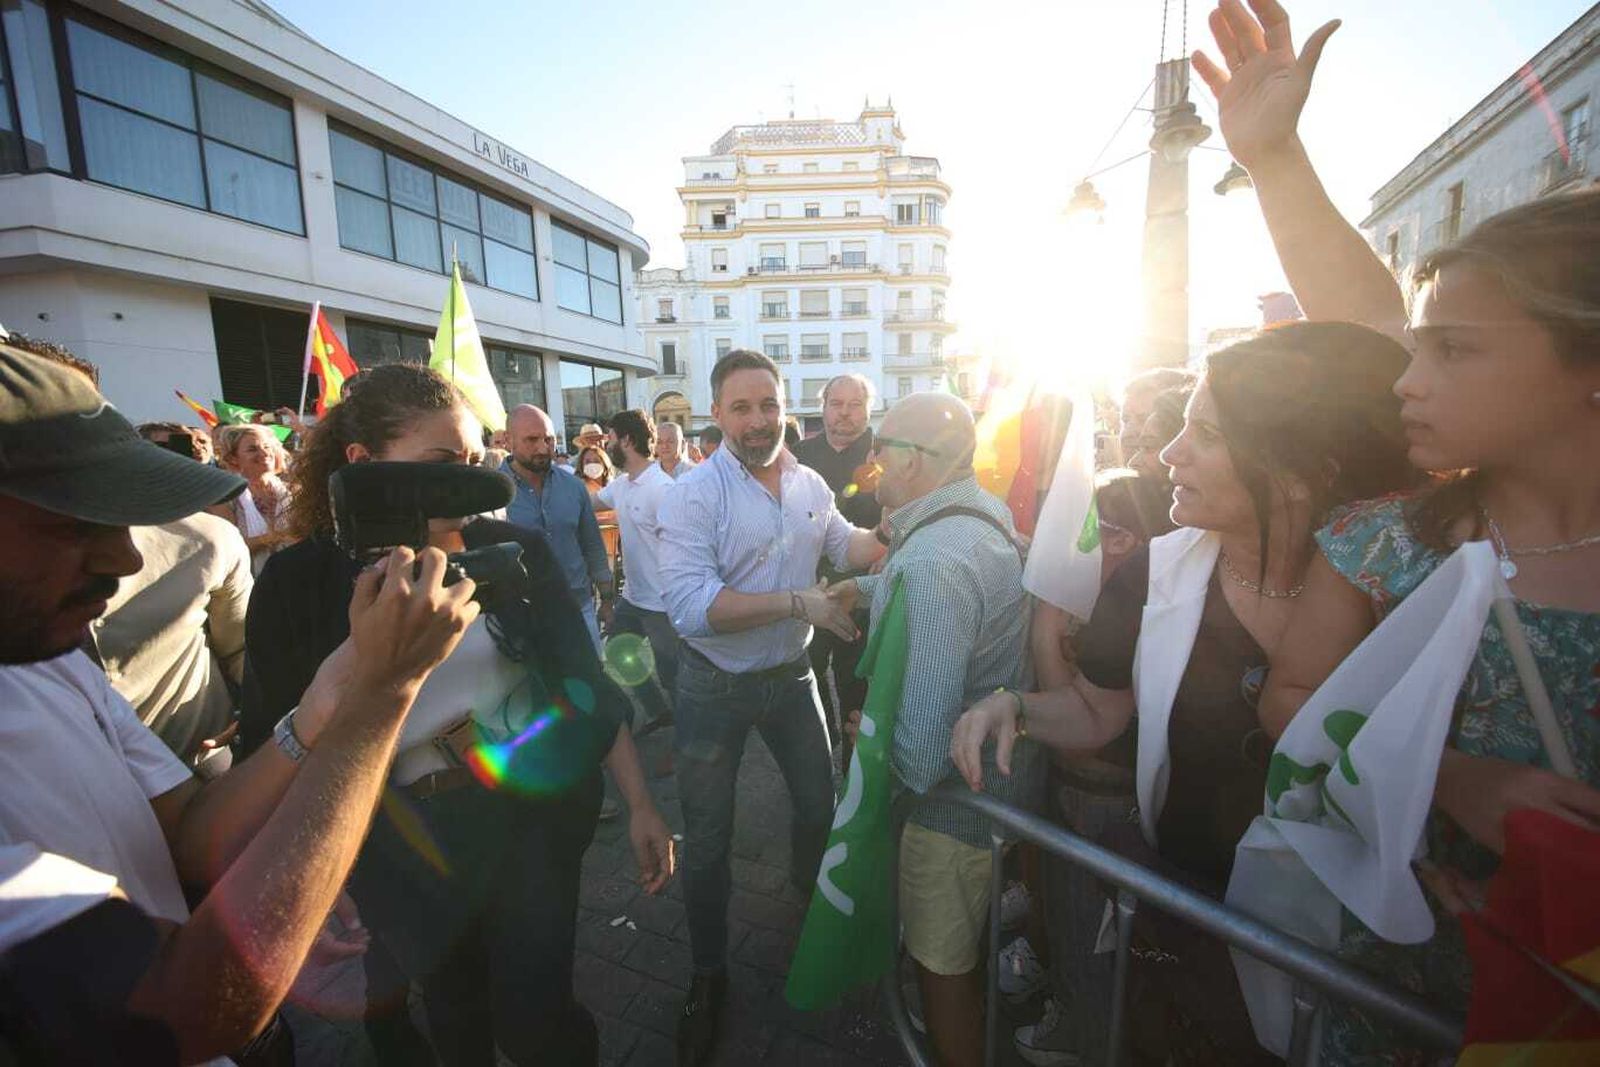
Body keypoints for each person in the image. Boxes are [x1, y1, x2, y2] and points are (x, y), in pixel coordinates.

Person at [1194, 2, 1600, 1060]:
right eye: (1417, 348)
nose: (1405, 383)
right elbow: (1292, 706)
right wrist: (1452, 782)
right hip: (1409, 996)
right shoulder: (1387, 540)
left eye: (1454, 351)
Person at [951, 323, 1419, 1063]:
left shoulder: (1401, 595)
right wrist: (1016, 706)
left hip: (1347, 945)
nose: (1169, 452)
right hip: (1189, 913)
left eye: (1205, 432)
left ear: (1296, 470)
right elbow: (1101, 710)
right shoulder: (1156, 574)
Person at [0, 342, 479, 1064]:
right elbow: (180, 1011)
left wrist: (323, 704)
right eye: (74, 522)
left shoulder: (50, 657)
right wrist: (382, 696)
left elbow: (191, 834)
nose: (126, 559)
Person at [240, 363, 674, 1067]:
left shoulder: (516, 552)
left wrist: (642, 801)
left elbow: (585, 687)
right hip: (395, 840)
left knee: (540, 1024)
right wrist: (312, 881)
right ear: (361, 464)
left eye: (477, 462)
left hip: (525, 822)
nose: (469, 485)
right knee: (456, 1017)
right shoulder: (301, 585)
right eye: (443, 465)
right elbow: (274, 747)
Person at [657, 350, 886, 1065]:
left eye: (769, 405)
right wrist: (799, 601)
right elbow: (690, 608)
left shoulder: (810, 480)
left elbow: (845, 543)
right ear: (717, 413)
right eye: (742, 407)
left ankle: (806, 915)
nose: (759, 421)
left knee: (820, 805)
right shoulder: (693, 493)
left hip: (791, 678)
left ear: (787, 406)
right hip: (712, 687)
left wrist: (902, 524)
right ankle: (708, 972)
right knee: (710, 838)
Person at [829, 392, 1034, 1067]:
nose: (872, 458)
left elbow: (918, 753)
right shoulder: (972, 515)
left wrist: (871, 741)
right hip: (983, 803)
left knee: (942, 964)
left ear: (914, 460)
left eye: (882, 445)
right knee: (954, 951)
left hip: (950, 817)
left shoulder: (935, 560)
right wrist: (860, 590)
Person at [87, 425, 254, 770]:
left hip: (197, 760)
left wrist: (262, 714)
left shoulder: (209, 540)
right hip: (66, 784)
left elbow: (242, 649)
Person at [793, 374, 883, 760]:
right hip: (809, 592)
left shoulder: (884, 453)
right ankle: (821, 753)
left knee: (857, 685)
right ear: (823, 407)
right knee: (806, 681)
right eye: (837, 403)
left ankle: (854, 772)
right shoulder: (797, 456)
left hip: (864, 593)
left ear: (868, 409)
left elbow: (901, 513)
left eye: (855, 404)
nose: (845, 413)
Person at [502, 404, 615, 651]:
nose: (543, 448)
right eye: (532, 440)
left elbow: (592, 545)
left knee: (593, 684)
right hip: (524, 616)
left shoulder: (574, 487)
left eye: (549, 440)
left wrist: (607, 600)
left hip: (579, 607)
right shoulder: (493, 492)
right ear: (508, 439)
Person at [599, 409, 680, 730]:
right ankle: (660, 714)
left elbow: (684, 547)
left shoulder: (663, 489)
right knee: (620, 653)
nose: (607, 446)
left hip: (663, 603)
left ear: (627, 441)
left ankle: (686, 742)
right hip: (633, 599)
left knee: (673, 676)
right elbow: (588, 503)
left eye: (611, 439)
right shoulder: (622, 485)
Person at [214, 423, 293, 577]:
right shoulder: (225, 497)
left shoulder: (294, 491)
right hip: (253, 585)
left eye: (267, 447)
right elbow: (229, 547)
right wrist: (275, 537)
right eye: (252, 449)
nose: (264, 453)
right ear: (233, 458)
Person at [577, 441, 621, 575]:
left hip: (612, 548)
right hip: (588, 550)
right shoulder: (579, 487)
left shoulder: (613, 486)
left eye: (596, 460)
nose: (592, 464)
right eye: (588, 461)